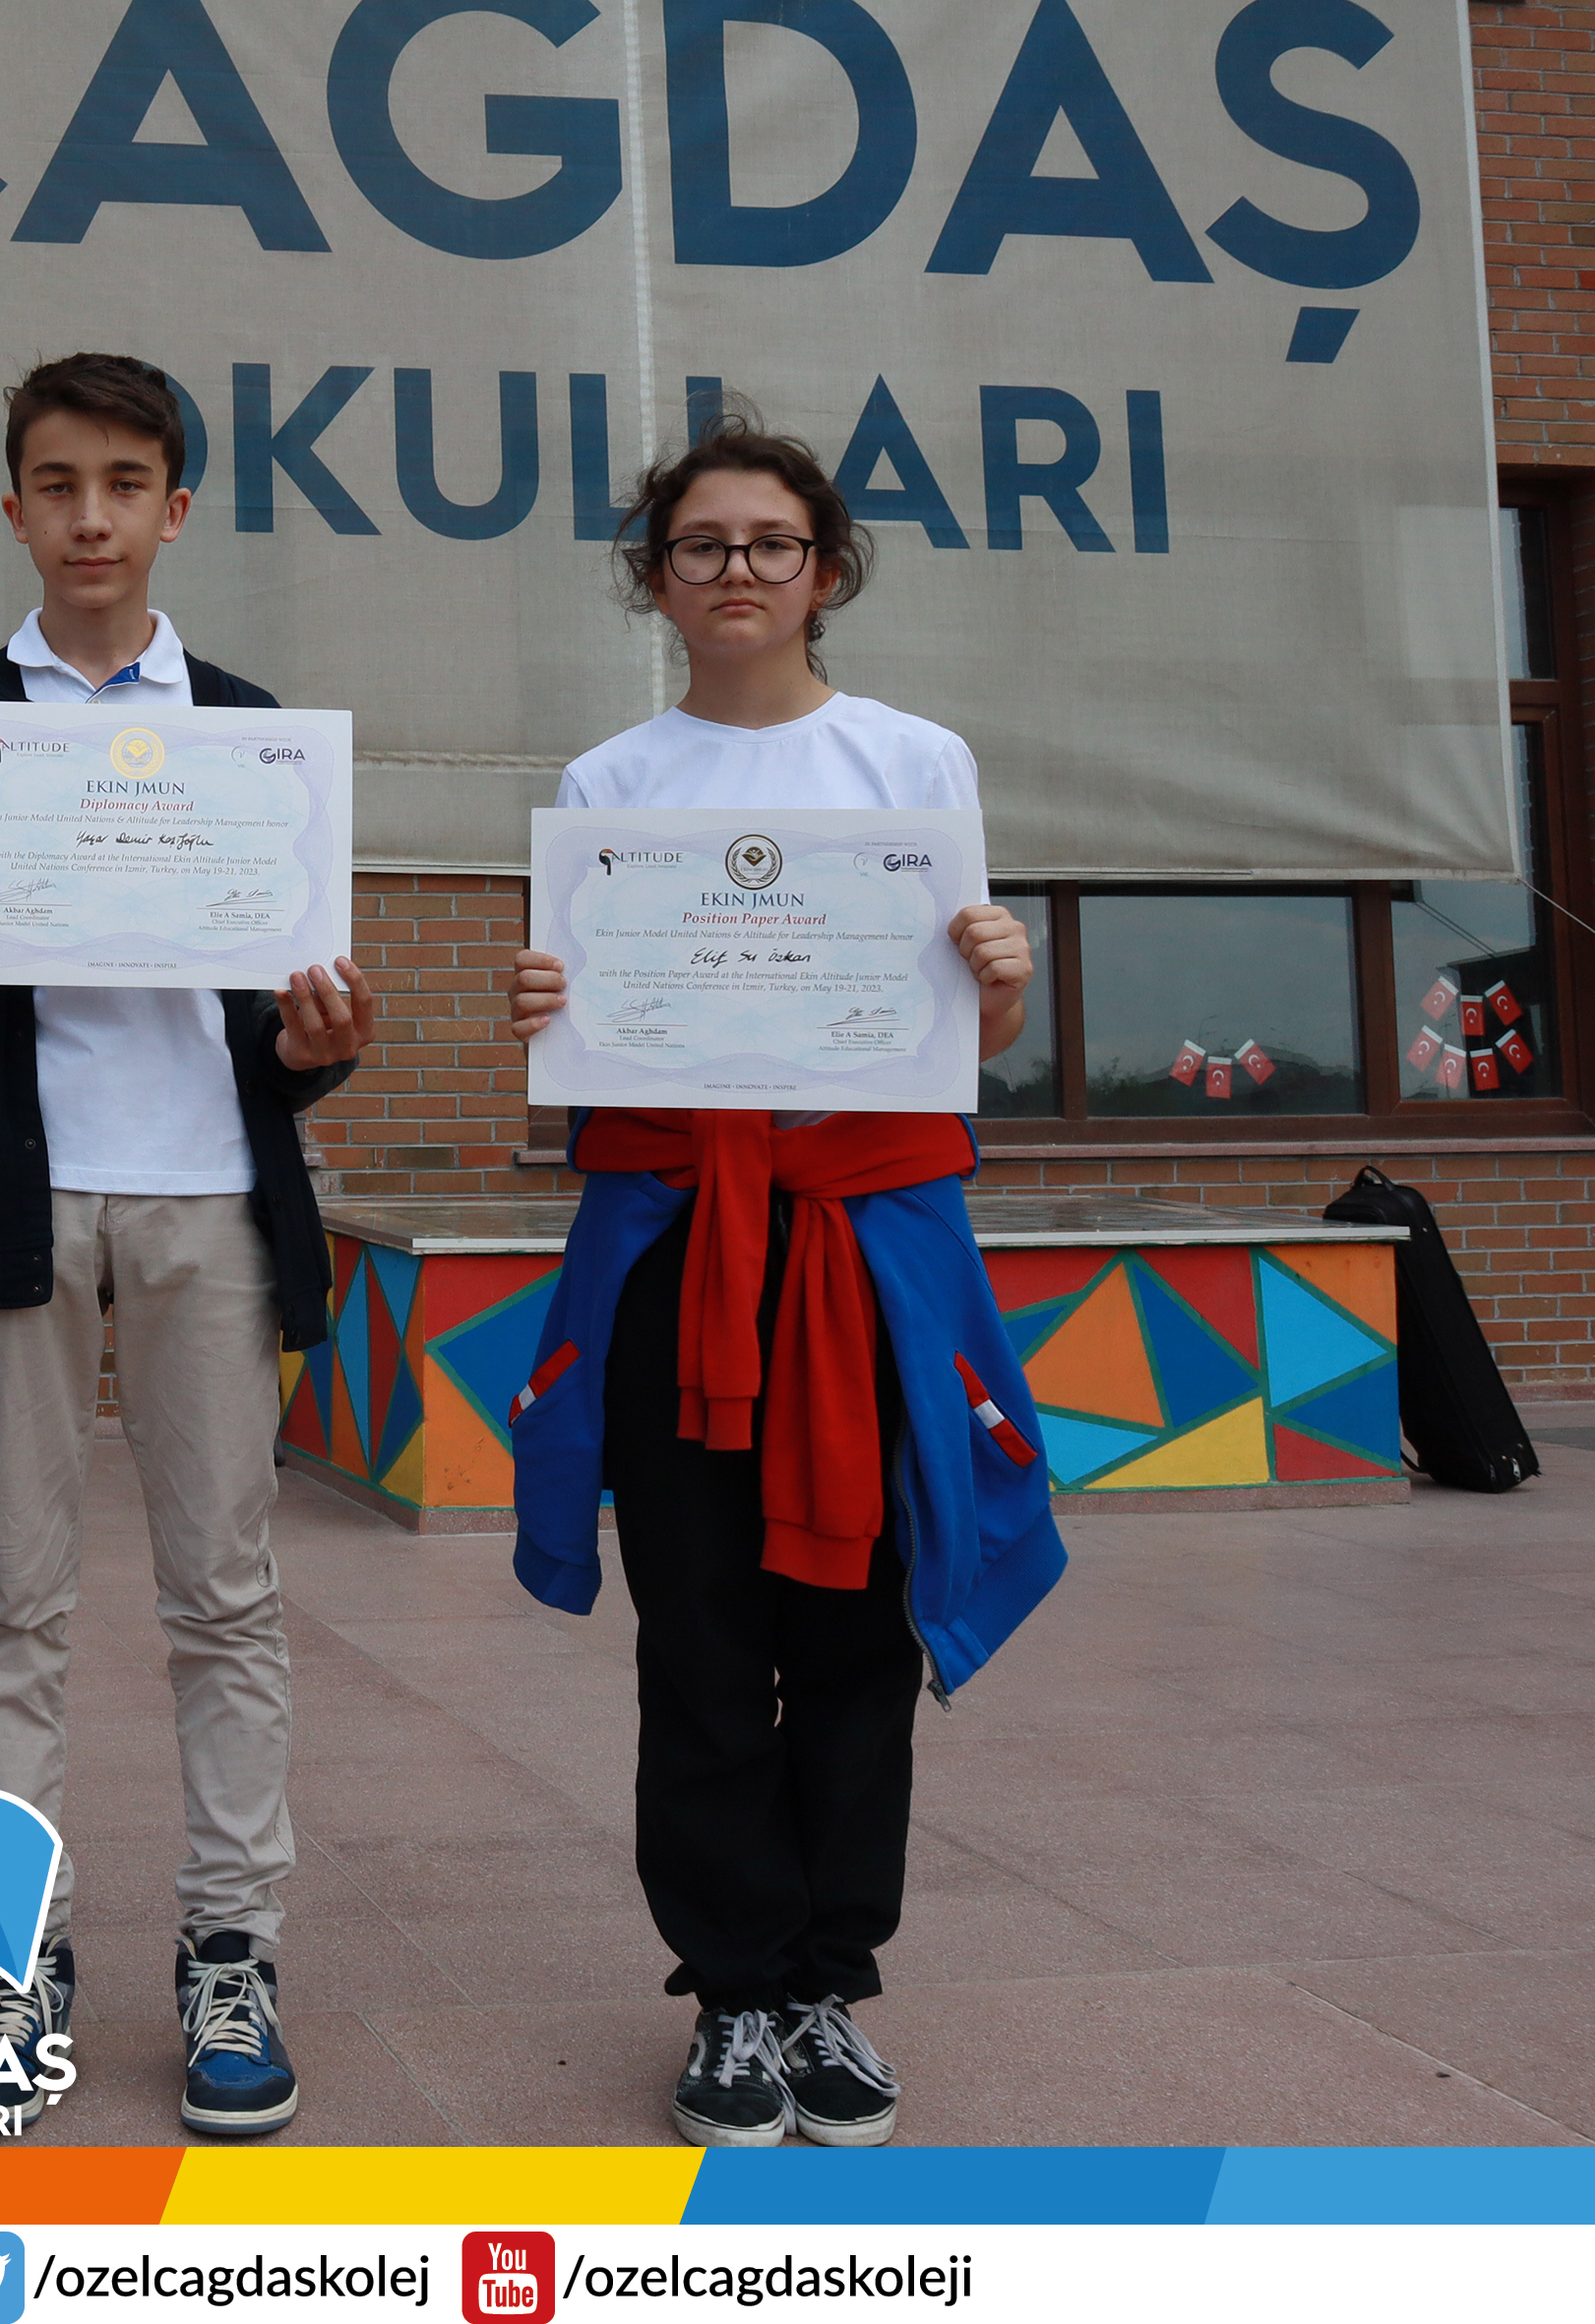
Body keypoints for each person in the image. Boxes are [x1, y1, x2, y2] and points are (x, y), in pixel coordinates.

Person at [501, 408, 1067, 2149]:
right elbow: (599, 1058)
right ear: (656, 578)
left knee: (856, 1635)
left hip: (863, 1254)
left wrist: (1003, 979)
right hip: (680, 1246)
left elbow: (965, 1038)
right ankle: (734, 1992)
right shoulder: (609, 784)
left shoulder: (914, 762)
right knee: (699, 1632)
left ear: (826, 569)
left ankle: (828, 1982)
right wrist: (553, 1014)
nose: (736, 568)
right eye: (701, 544)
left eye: (770, 541)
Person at [0, 353, 376, 2138]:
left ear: (174, 507)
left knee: (226, 1592)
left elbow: (293, 1026)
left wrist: (321, 1045)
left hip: (210, 1194)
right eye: (59, 484)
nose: (91, 516)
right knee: (14, 1594)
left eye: (125, 483)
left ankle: (233, 1949)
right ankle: (16, 1956)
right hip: (21, 1199)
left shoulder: (252, 728)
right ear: (16, 508)